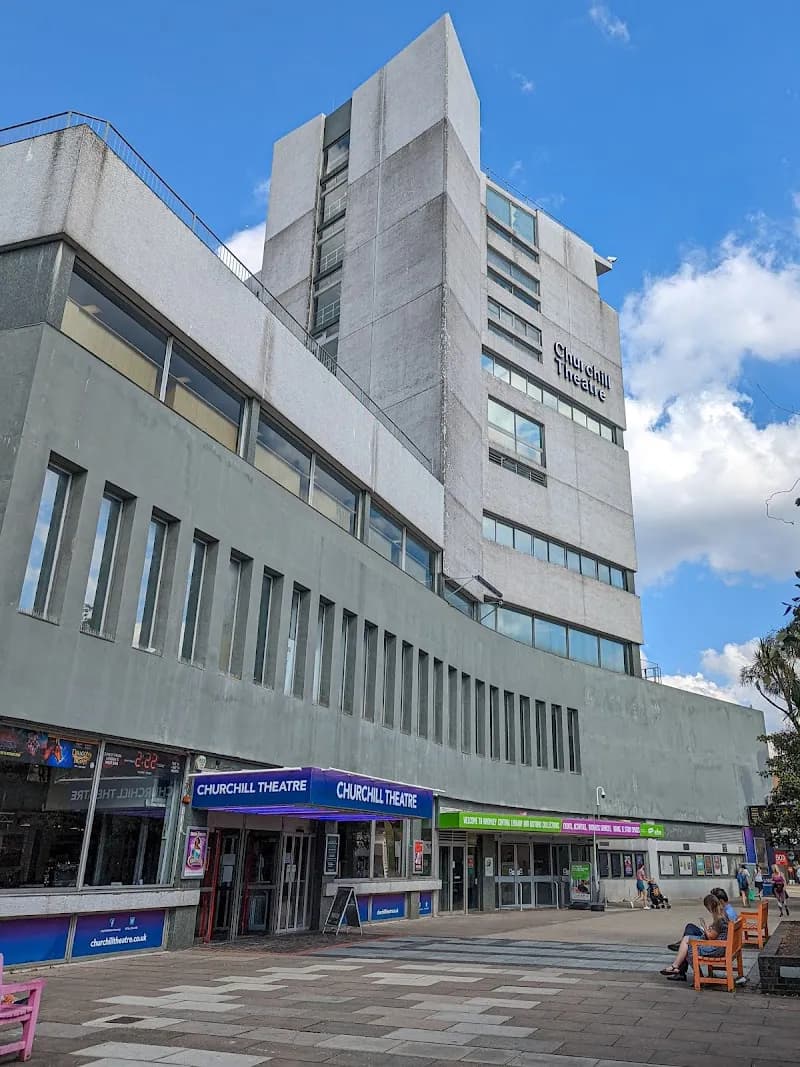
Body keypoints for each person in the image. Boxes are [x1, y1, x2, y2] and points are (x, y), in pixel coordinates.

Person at [660, 893, 729, 981]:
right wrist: (710, 928)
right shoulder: (722, 914)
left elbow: (711, 937)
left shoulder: (719, 918)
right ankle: (676, 964)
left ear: (709, 907)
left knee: (689, 947)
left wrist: (704, 926)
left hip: (717, 949)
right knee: (687, 937)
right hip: (721, 946)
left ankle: (696, 976)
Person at [666, 887, 737, 951]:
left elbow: (713, 936)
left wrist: (705, 927)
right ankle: (681, 944)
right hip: (720, 939)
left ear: (720, 901)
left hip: (716, 942)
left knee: (690, 930)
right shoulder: (727, 911)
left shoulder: (726, 913)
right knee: (690, 928)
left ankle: (682, 945)